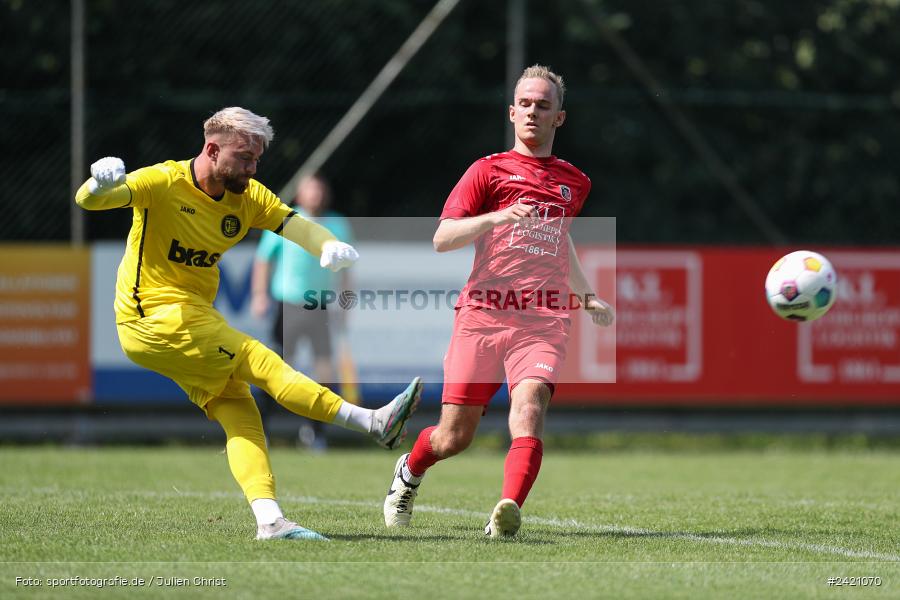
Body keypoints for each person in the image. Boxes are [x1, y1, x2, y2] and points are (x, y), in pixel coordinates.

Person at [75, 106, 422, 541]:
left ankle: (270, 521)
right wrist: (98, 182)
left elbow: (293, 223)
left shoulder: (248, 196)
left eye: (257, 159)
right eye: (244, 157)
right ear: (212, 149)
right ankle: (373, 422)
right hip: (152, 318)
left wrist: (326, 244)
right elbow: (90, 200)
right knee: (258, 356)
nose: (252, 167)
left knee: (241, 410)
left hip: (191, 317)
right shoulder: (164, 181)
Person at [383, 65, 614, 538]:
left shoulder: (576, 182)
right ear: (512, 113)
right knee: (454, 436)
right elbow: (442, 238)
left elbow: (560, 239)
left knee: (529, 407)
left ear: (559, 118)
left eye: (543, 105)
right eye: (525, 104)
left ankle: (507, 509)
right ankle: (409, 471)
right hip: (483, 314)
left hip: (543, 318)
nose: (533, 111)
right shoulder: (486, 171)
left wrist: (585, 295)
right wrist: (499, 216)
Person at [251, 174, 354, 451]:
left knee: (324, 371)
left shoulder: (338, 224)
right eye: (311, 191)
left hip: (319, 307)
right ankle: (260, 428)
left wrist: (345, 304)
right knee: (274, 369)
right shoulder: (288, 219)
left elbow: (346, 270)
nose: (316, 196)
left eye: (320, 190)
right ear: (300, 194)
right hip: (288, 305)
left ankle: (315, 432)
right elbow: (263, 259)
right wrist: (260, 295)